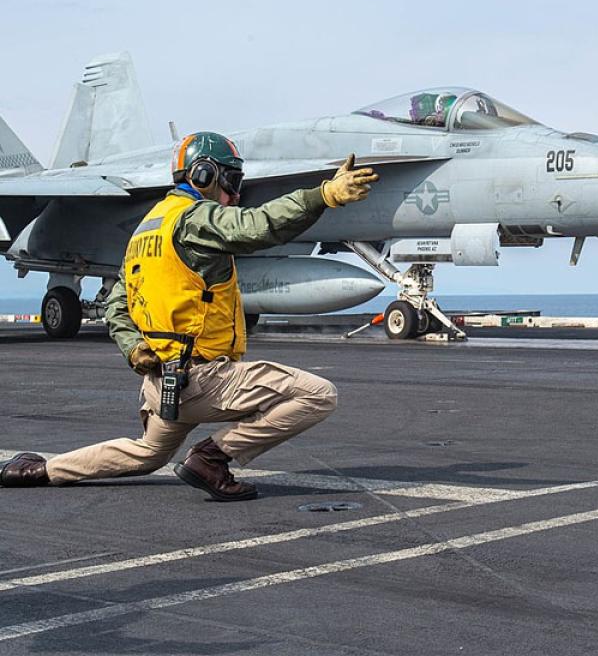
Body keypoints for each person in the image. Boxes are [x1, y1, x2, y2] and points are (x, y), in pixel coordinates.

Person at [0, 132, 378, 501]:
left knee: (149, 453)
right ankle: (212, 458)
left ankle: (41, 469)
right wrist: (323, 196)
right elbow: (257, 226)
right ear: (204, 176)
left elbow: (117, 305)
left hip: (163, 382)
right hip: (205, 379)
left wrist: (134, 349)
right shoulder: (195, 219)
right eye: (231, 180)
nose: (236, 193)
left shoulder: (148, 229)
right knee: (318, 395)